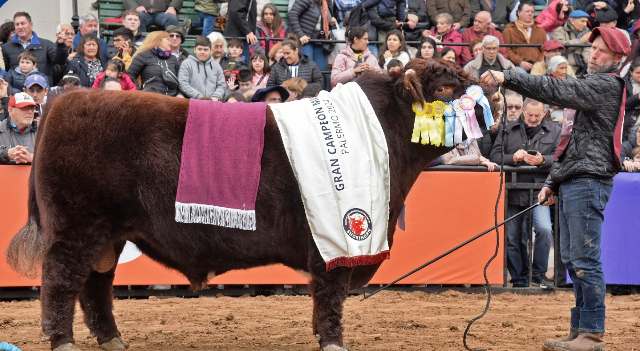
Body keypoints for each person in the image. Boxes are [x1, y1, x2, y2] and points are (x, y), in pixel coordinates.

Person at [481, 26, 630, 351]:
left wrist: (510, 76)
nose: (594, 55)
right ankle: (580, 331)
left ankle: (590, 333)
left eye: (602, 51)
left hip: (589, 179)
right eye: (593, 49)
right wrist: (553, 182)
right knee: (573, 257)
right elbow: (569, 142)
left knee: (584, 259)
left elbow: (554, 90)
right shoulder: (596, 87)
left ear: (617, 58)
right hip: (577, 178)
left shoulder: (605, 84)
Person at [489, 98, 560, 289]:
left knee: (544, 230)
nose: (534, 119)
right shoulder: (507, 128)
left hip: (540, 189)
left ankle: (538, 273)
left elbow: (561, 158)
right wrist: (513, 157)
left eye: (538, 115)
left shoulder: (555, 130)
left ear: (545, 113)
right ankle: (518, 277)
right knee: (512, 236)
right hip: (513, 189)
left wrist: (542, 161)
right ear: (522, 111)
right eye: (530, 115)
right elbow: (494, 157)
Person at [1, 12, 68, 86]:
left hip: (41, 93)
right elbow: (5, 71)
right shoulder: (6, 48)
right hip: (16, 94)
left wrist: (61, 45)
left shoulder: (46, 44)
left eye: (23, 23)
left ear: (31, 25)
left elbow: (60, 61)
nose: (20, 27)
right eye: (17, 24)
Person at [288, 0, 337, 71]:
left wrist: (331, 23)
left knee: (320, 70)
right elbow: (293, 14)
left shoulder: (327, 2)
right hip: (305, 40)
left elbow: (324, 22)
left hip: (319, 40)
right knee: (306, 68)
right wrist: (300, 35)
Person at [127, 31, 180, 96]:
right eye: (167, 40)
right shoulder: (144, 55)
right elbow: (130, 75)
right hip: (151, 98)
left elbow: (179, 80)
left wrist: (180, 94)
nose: (170, 42)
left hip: (171, 99)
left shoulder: (173, 58)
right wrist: (138, 93)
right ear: (158, 40)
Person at [502, 2, 547, 74]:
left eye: (532, 12)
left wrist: (539, 62)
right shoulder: (508, 30)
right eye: (527, 11)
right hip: (517, 66)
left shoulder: (541, 31)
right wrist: (520, 62)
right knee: (522, 76)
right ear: (519, 13)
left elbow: (545, 49)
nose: (530, 13)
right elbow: (507, 50)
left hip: (538, 65)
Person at [178, 35, 225, 101]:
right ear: (194, 50)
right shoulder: (186, 63)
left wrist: (216, 97)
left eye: (205, 50)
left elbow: (222, 84)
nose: (202, 52)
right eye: (200, 49)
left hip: (213, 103)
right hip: (192, 102)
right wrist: (199, 97)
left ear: (210, 51)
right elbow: (183, 84)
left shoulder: (216, 65)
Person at [551, 10, 592, 78]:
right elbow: (560, 48)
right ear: (573, 20)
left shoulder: (587, 33)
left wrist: (590, 66)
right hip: (565, 68)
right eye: (582, 21)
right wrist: (581, 40)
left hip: (582, 68)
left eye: (586, 22)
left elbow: (588, 51)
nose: (585, 24)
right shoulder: (559, 31)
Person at [0, 92, 37, 164]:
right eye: (25, 108)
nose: (30, 112)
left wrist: (34, 158)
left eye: (32, 108)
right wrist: (6, 153)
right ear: (11, 110)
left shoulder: (43, 132)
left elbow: (55, 159)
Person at [224, 0, 258, 67]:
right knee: (242, 67)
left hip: (240, 36)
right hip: (238, 37)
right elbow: (236, 12)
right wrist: (247, 31)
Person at [623, 58, 640, 137]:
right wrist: (637, 97)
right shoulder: (623, 85)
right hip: (629, 122)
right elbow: (622, 103)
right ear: (631, 72)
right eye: (638, 73)